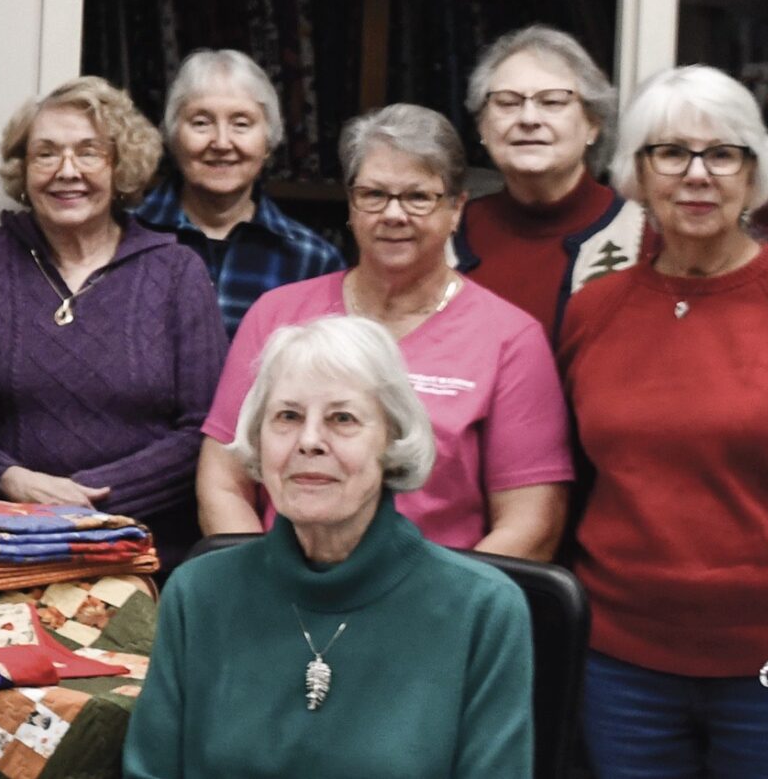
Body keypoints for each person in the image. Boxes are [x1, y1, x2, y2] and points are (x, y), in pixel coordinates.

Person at [125, 315, 533, 777]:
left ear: (391, 441)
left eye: (343, 418)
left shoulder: (483, 610)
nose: (310, 441)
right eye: (288, 417)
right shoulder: (197, 593)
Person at [561, 65, 768, 772]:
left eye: (722, 152)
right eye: (671, 152)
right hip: (622, 664)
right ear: (637, 170)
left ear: (755, 171)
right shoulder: (593, 310)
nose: (696, 174)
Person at [197, 105, 572, 558]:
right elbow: (223, 482)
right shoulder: (278, 315)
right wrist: (266, 587)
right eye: (374, 194)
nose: (394, 214)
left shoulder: (510, 339)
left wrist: (435, 611)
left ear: (456, 208)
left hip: (435, 610)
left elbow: (532, 522)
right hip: (282, 595)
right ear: (352, 206)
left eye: (418, 197)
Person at [0, 77, 226, 559]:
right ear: (24, 167)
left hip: (140, 548)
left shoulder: (177, 270)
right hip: (0, 541)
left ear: (120, 166)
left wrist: (84, 501)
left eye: (89, 152)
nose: (67, 170)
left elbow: (204, 429)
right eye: (46, 153)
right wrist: (12, 480)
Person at [132, 50, 346, 335]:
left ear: (268, 142)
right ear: (172, 137)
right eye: (201, 123)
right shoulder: (122, 239)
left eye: (241, 124)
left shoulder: (314, 261)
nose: (221, 142)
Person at [457, 25, 646, 340]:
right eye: (507, 102)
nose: (529, 119)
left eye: (553, 102)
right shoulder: (446, 235)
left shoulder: (646, 237)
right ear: (482, 126)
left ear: (593, 125)